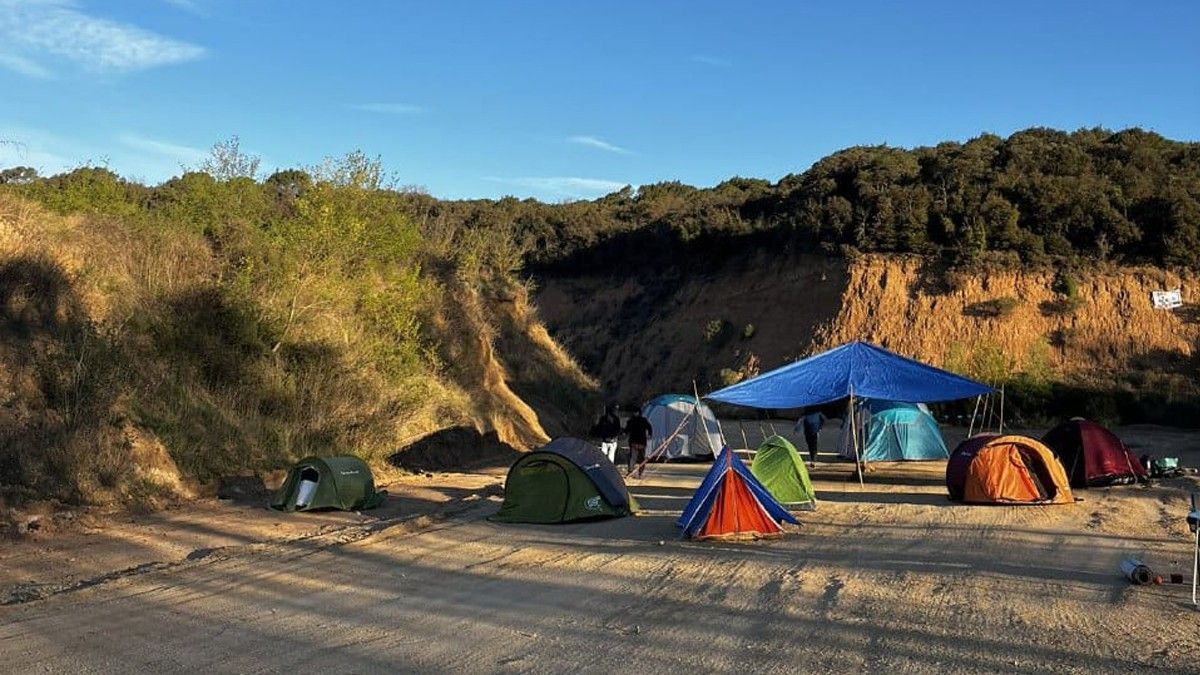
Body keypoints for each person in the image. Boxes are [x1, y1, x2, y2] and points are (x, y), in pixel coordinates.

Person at [623, 409, 653, 479]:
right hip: (634, 442)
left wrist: (649, 434)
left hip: (641, 442)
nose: (634, 413)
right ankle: (630, 471)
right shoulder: (631, 421)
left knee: (641, 458)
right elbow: (627, 429)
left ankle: (640, 473)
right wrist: (624, 433)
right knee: (633, 458)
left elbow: (649, 427)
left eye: (635, 412)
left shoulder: (643, 420)